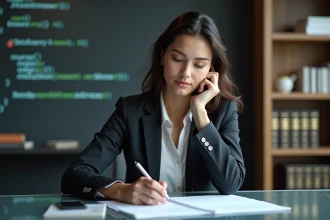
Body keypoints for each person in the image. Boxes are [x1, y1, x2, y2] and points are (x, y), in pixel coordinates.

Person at [61, 11, 245, 205]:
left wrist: (201, 116)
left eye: (199, 65)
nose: (186, 73)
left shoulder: (223, 110)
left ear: (211, 70)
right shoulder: (130, 111)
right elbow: (74, 175)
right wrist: (121, 190)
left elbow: (231, 183)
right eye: (177, 59)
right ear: (162, 56)